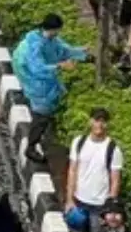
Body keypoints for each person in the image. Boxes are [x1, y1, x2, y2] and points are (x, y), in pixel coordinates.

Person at [11, 14, 87, 163]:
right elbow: (37, 68)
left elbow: (63, 50)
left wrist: (81, 52)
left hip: (43, 79)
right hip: (34, 79)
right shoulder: (35, 46)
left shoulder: (50, 39)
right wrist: (60, 66)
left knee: (46, 110)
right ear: (51, 29)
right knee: (41, 115)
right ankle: (31, 147)